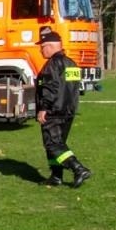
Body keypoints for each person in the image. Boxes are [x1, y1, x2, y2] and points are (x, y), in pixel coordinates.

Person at [35, 25, 91, 187]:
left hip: (54, 111)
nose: (41, 51)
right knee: (57, 145)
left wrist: (44, 108)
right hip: (68, 110)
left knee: (53, 144)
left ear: (51, 46)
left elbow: (50, 88)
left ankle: (78, 168)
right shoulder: (71, 63)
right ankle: (56, 176)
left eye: (42, 47)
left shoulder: (53, 64)